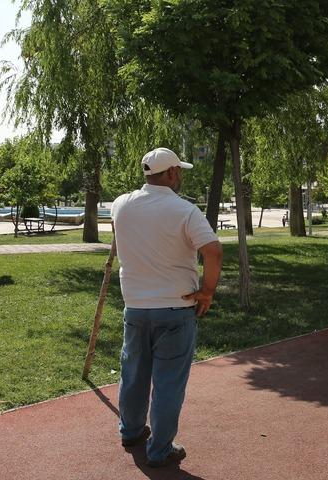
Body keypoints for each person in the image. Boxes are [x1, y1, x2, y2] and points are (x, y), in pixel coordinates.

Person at [111, 147, 223, 468]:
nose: (181, 176)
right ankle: (160, 449)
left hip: (135, 307)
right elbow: (213, 251)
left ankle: (131, 431)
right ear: (172, 173)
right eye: (180, 171)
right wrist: (208, 291)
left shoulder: (121, 204)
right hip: (175, 309)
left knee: (133, 373)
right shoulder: (184, 210)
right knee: (168, 382)